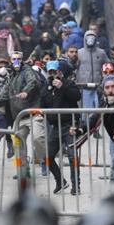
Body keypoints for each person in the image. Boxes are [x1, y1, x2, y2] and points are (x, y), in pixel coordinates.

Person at [0, 51, 45, 178]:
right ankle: (23, 170)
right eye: (14, 59)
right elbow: (2, 98)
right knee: (18, 146)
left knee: (38, 139)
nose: (16, 61)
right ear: (10, 60)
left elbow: (33, 82)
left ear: (22, 60)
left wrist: (26, 92)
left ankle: (47, 162)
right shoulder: (11, 77)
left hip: (33, 114)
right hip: (19, 117)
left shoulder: (27, 71)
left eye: (19, 59)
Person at [41, 60, 81, 194]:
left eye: (55, 72)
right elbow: (42, 104)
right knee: (47, 156)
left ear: (60, 72)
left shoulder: (68, 83)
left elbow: (76, 96)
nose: (53, 75)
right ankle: (60, 181)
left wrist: (62, 87)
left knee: (72, 156)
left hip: (70, 124)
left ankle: (76, 185)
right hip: (55, 126)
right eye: (50, 72)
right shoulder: (46, 87)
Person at [75, 29, 110, 108]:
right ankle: (85, 120)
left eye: (93, 37)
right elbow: (75, 67)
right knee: (86, 108)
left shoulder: (101, 53)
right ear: (85, 39)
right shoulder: (79, 52)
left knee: (99, 107)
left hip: (99, 86)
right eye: (88, 37)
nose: (90, 39)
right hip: (84, 86)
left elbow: (108, 65)